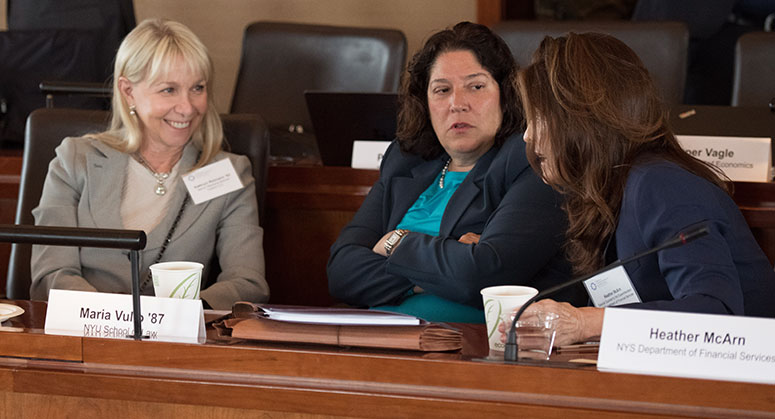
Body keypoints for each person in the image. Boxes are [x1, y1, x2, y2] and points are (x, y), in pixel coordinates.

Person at [509, 32, 775, 345]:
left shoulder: (661, 184)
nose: (527, 136)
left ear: (580, 118)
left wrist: (586, 323)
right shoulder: (611, 189)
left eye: (538, 117)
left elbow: (716, 314)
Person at [327, 22, 584, 323]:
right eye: (442, 90)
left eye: (476, 86)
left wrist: (395, 242)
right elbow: (341, 271)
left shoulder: (531, 158)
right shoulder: (406, 160)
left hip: (468, 347)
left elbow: (483, 275)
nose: (457, 104)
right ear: (425, 102)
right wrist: (444, 266)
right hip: (380, 338)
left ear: (506, 94)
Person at [30, 19, 269, 310]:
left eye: (197, 88)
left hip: (178, 345)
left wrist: (181, 315)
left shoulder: (229, 173)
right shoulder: (75, 160)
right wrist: (110, 318)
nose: (187, 107)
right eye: (168, 90)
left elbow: (248, 283)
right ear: (128, 91)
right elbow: (51, 276)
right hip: (82, 337)